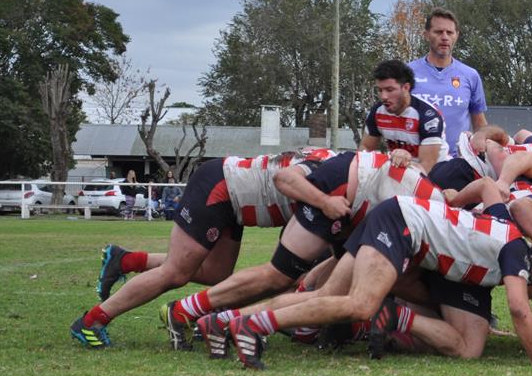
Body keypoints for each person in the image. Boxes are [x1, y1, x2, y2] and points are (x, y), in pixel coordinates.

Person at [213, 196, 532, 370]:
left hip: (403, 226)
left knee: (468, 348)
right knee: (360, 304)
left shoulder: (503, 239)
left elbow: (495, 202)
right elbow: (518, 308)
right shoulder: (515, 254)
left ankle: (223, 321)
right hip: (400, 223)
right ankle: (252, 324)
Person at [166, 150, 446, 353]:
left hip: (360, 210)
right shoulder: (333, 166)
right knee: (278, 276)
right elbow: (284, 178)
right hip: (341, 198)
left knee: (331, 280)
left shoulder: (431, 197)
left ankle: (235, 320)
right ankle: (189, 310)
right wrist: (325, 202)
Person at [71, 147, 339, 349]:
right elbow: (285, 179)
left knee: (215, 274)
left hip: (233, 200)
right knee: (176, 273)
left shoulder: (341, 166)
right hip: (220, 187)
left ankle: (127, 260)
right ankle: (91, 322)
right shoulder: (335, 174)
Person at [408, 7, 486, 156]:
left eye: (449, 32)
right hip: (416, 162)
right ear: (426, 35)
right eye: (438, 32)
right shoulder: (407, 73)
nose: (444, 37)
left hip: (457, 163)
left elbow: (479, 123)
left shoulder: (470, 75)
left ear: (456, 35)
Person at [361, 59, 448, 170]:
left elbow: (427, 166)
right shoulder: (378, 112)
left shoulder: (428, 116)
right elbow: (365, 149)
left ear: (406, 88)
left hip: (436, 174)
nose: (383, 96)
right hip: (402, 171)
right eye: (380, 90)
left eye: (390, 90)